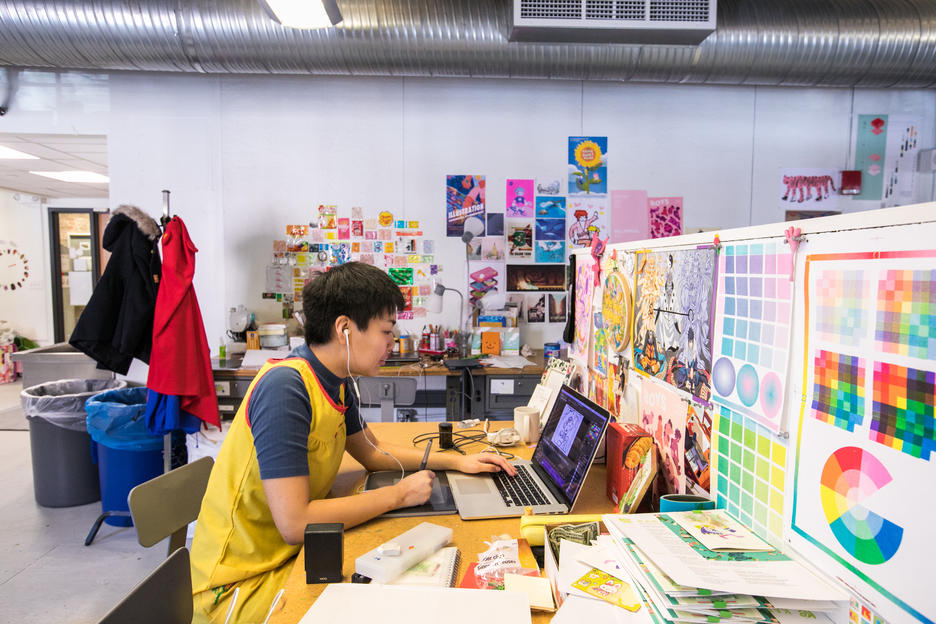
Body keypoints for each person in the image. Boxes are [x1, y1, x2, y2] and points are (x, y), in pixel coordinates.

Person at [190, 262, 515, 623]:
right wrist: (399, 495)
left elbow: (373, 454)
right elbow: (296, 522)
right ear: (344, 328)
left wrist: (456, 462)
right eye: (386, 332)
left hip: (295, 555)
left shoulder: (336, 379)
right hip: (241, 584)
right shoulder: (286, 388)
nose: (391, 345)